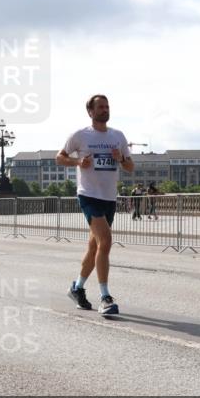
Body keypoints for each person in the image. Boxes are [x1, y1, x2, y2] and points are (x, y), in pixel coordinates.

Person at [56, 94, 134, 316]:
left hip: (109, 197)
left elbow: (131, 167)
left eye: (107, 106)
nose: (105, 109)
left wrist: (120, 158)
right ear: (90, 111)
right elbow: (59, 157)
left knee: (94, 247)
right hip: (89, 195)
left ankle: (77, 288)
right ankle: (105, 297)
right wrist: (78, 161)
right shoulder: (80, 135)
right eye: (100, 107)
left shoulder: (118, 136)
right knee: (106, 240)